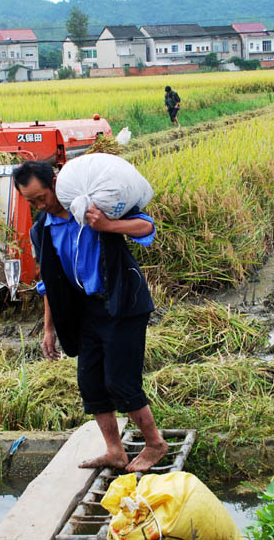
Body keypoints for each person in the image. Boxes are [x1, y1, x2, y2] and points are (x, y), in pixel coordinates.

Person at [13, 161, 169, 473]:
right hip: (86, 312)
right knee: (91, 383)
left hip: (122, 304)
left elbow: (146, 228)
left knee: (120, 381)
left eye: (41, 197)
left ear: (55, 182)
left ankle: (155, 444)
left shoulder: (94, 209)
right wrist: (49, 329)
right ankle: (114, 450)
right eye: (31, 202)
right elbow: (51, 284)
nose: (39, 205)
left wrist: (107, 226)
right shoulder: (41, 230)